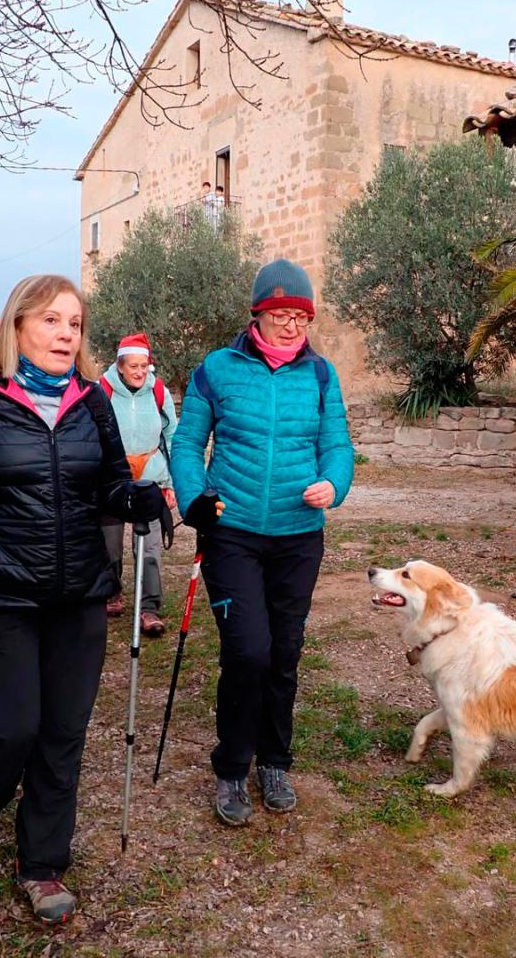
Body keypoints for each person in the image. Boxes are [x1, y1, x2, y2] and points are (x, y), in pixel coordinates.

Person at [0, 275, 165, 924]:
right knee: (10, 728)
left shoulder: (93, 401)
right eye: (51, 320)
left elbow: (108, 484)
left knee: (62, 734)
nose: (65, 334)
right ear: (17, 324)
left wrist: (133, 498)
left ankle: (43, 863)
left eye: (74, 324)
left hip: (79, 595)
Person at [171, 258, 353, 826]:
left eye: (301, 316)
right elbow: (186, 443)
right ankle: (231, 767)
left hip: (299, 538)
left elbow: (338, 446)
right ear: (257, 315)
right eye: (281, 315)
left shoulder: (320, 375)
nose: (292, 326)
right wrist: (194, 496)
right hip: (232, 534)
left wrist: (334, 484)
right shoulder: (216, 369)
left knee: (284, 653)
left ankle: (274, 761)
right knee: (248, 650)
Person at [99, 332, 179, 635]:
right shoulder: (101, 391)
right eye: (133, 366)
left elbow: (171, 436)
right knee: (109, 546)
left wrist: (170, 482)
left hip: (150, 477)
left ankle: (148, 609)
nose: (139, 372)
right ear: (120, 366)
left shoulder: (158, 392)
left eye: (144, 366)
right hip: (112, 479)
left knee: (149, 549)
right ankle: (111, 594)